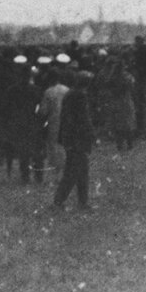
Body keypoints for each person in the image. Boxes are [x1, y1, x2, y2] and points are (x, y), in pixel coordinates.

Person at [53, 70, 96, 211]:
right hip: (78, 138)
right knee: (75, 171)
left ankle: (81, 201)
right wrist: (91, 134)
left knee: (79, 170)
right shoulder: (80, 95)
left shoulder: (70, 94)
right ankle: (61, 200)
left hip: (69, 137)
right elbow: (84, 119)